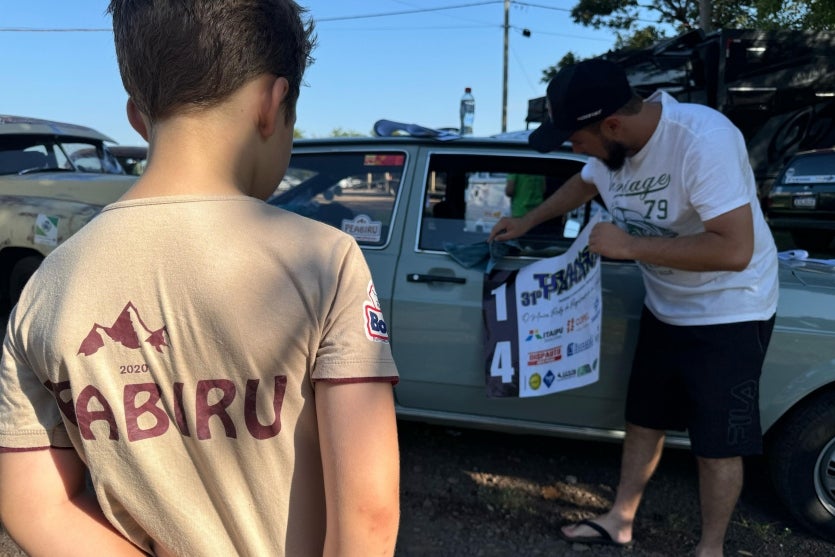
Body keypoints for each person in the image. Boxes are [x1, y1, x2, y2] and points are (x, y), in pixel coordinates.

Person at [0, 1, 401, 556]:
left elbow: (33, 504)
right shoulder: (324, 260)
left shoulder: (47, 288)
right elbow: (370, 515)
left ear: (137, 116)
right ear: (271, 103)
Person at [490, 59, 778, 557]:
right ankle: (620, 520)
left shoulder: (702, 140)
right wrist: (528, 220)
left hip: (730, 309)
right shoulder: (611, 152)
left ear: (613, 125)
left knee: (717, 444)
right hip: (666, 305)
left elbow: (735, 251)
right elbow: (585, 181)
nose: (571, 147)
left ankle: (710, 549)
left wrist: (630, 247)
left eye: (574, 137)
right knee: (645, 419)